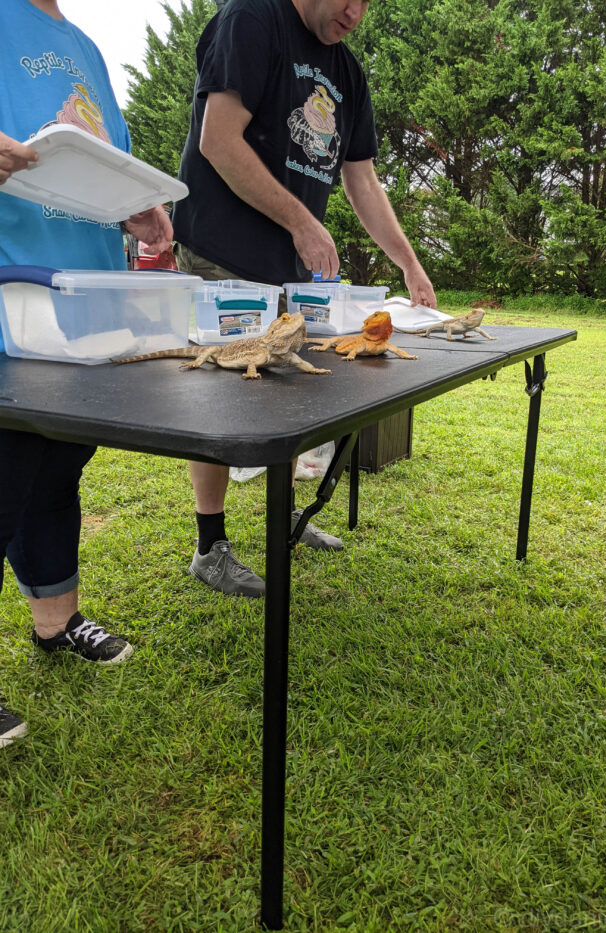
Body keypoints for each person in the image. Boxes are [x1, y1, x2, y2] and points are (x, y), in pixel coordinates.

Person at [172, 0, 437, 598]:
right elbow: (218, 140)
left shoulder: (347, 72)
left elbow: (361, 177)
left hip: (287, 267)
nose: (355, 11)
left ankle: (281, 514)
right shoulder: (251, 19)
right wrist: (302, 222)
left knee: (289, 393)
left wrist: (409, 262)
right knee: (220, 393)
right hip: (220, 249)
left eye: (369, 1)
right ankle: (209, 545)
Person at [0, 0, 173, 748]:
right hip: (13, 295)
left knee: (57, 467)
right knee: (6, 473)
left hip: (84, 303)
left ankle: (56, 620)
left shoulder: (85, 48)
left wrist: (137, 211)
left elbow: (105, 163)